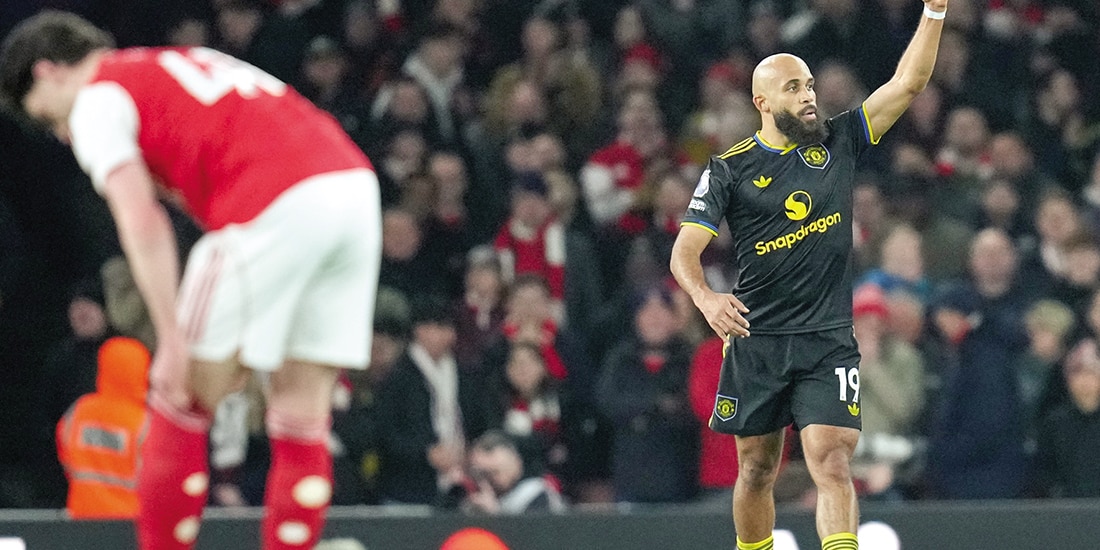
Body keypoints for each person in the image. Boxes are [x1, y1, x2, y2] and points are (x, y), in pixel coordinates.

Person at [1, 11, 381, 550]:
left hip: (273, 199)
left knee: (175, 392)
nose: (62, 135)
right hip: (353, 190)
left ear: (48, 71)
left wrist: (172, 340)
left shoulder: (96, 98)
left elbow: (142, 219)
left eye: (47, 119)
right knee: (301, 412)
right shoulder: (175, 64)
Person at [668, 1, 948, 548]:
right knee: (756, 470)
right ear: (763, 101)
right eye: (795, 87)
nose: (810, 95)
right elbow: (684, 251)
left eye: (811, 84)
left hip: (826, 338)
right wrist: (705, 299)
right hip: (758, 338)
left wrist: (935, 10)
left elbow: (909, 82)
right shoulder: (730, 168)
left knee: (834, 462)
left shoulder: (839, 141)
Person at [55, 336, 150, 519]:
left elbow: (64, 453)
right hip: (129, 523)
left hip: (81, 516)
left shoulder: (79, 411)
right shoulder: (144, 422)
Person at [462, 430, 567, 515]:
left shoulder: (535, 494)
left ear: (517, 463)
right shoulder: (474, 498)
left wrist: (495, 515)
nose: (490, 480)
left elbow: (534, 535)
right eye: (483, 474)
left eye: (495, 473)